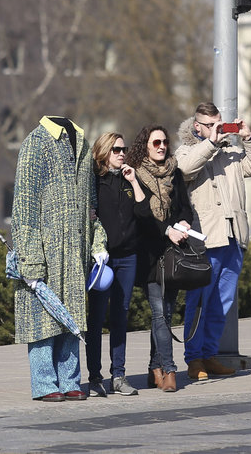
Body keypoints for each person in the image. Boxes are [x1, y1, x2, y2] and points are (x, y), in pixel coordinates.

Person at [11, 116, 107, 402]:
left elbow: (91, 206)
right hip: (44, 248)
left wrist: (97, 243)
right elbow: (24, 206)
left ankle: (70, 380)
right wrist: (29, 258)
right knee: (42, 318)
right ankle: (43, 384)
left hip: (76, 247)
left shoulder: (83, 143)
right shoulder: (36, 143)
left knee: (71, 315)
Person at [175, 102, 251, 380]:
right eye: (211, 125)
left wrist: (249, 138)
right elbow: (183, 170)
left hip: (234, 235)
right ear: (198, 127)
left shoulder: (233, 152)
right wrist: (211, 144)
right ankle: (194, 359)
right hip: (206, 238)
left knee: (222, 303)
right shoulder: (187, 151)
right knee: (199, 302)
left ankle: (209, 354)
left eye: (220, 123)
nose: (217, 129)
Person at [125, 124, 194, 393]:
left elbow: (184, 207)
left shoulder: (175, 173)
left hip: (174, 254)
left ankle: (154, 368)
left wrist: (185, 224)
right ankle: (169, 370)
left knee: (166, 313)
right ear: (145, 145)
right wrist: (168, 230)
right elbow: (141, 216)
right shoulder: (135, 175)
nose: (162, 147)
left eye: (164, 142)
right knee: (159, 314)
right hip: (149, 253)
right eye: (156, 143)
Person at [86, 132, 149, 397]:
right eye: (116, 149)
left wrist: (134, 181)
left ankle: (119, 375)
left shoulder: (128, 179)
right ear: (103, 152)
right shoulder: (94, 182)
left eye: (123, 149)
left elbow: (144, 212)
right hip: (103, 260)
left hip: (127, 258)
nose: (122, 153)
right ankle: (94, 376)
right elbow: (89, 217)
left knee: (120, 316)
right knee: (97, 317)